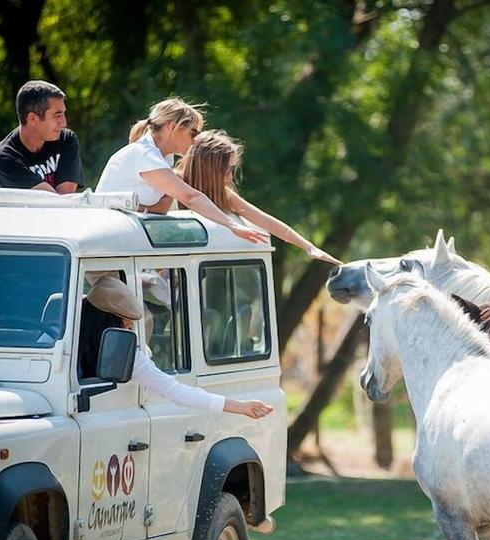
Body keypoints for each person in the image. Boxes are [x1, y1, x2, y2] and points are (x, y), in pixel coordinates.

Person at [79, 275, 273, 419]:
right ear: (107, 323)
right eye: (125, 325)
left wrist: (241, 407)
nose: (130, 331)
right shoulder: (60, 342)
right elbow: (177, 392)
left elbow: (177, 391)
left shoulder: (130, 356)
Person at [95, 98, 267, 245]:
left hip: (118, 245)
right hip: (103, 246)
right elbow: (191, 197)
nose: (195, 141)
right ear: (172, 127)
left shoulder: (162, 158)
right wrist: (232, 225)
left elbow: (159, 210)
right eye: (193, 133)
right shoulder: (145, 155)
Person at [179, 130, 340, 265]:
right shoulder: (171, 184)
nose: (230, 178)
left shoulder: (224, 195)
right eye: (227, 169)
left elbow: (265, 221)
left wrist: (309, 248)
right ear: (209, 168)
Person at [0, 80, 84, 193]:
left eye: (63, 114)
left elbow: (65, 198)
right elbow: (50, 202)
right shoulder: (2, 159)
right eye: (57, 115)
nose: (64, 123)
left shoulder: (66, 140)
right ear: (32, 118)